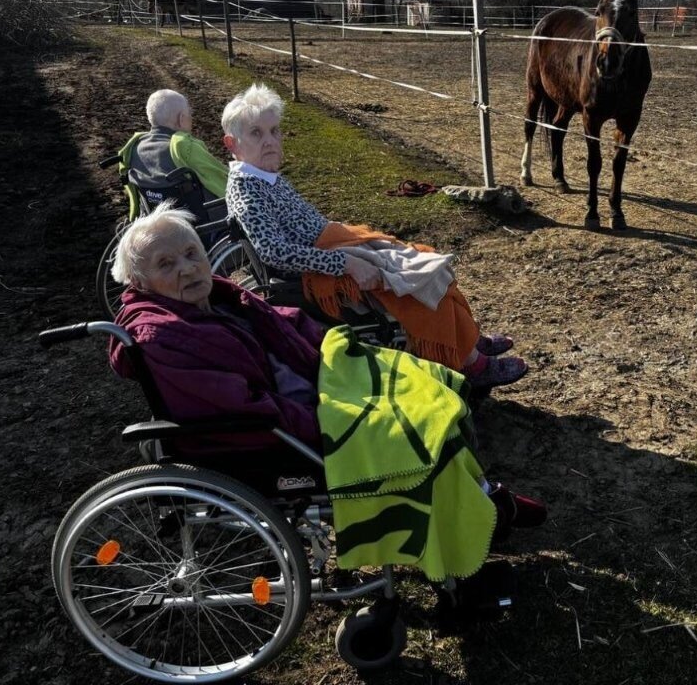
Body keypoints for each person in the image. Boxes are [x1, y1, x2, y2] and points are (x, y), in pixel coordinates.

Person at [107, 202, 546, 577]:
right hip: (280, 432)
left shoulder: (217, 298)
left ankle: (479, 497)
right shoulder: (166, 337)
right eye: (166, 264)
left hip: (311, 385)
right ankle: (477, 522)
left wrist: (336, 349)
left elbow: (284, 323)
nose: (187, 268)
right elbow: (244, 409)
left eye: (191, 253)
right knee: (414, 426)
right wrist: (328, 421)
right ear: (140, 283)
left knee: (427, 383)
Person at [222, 83, 527, 390]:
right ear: (232, 144)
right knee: (416, 279)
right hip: (319, 268)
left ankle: (466, 338)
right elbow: (274, 252)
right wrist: (346, 262)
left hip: (334, 244)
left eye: (274, 131)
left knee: (425, 259)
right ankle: (472, 364)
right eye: (256, 133)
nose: (270, 140)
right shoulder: (247, 190)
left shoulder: (261, 176)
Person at [118, 89, 229, 221]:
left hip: (153, 219)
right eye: (189, 114)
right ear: (181, 119)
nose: (191, 118)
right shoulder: (185, 147)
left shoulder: (134, 148)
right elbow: (221, 179)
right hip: (197, 223)